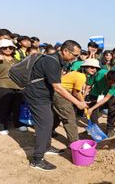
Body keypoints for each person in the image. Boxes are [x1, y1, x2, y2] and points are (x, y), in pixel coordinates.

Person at [24, 40, 88, 171]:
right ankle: (37, 160)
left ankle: (46, 147)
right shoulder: (51, 61)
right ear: (65, 51)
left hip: (45, 95)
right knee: (45, 125)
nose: (75, 58)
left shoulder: (58, 61)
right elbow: (58, 87)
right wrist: (77, 102)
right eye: (74, 55)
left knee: (49, 121)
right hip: (37, 96)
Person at [0, 39, 27, 134]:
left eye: (10, 47)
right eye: (5, 47)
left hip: (18, 86)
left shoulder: (15, 60)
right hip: (2, 85)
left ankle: (18, 123)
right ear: (0, 48)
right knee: (2, 107)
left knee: (17, 106)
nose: (8, 49)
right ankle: (1, 126)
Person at [87, 70, 115, 138]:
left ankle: (110, 128)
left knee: (112, 109)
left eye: (114, 83)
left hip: (110, 95)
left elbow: (106, 98)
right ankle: (94, 127)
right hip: (96, 92)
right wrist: (84, 96)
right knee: (93, 111)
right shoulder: (99, 74)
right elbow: (89, 85)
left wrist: (91, 109)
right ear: (106, 78)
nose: (112, 84)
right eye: (111, 83)